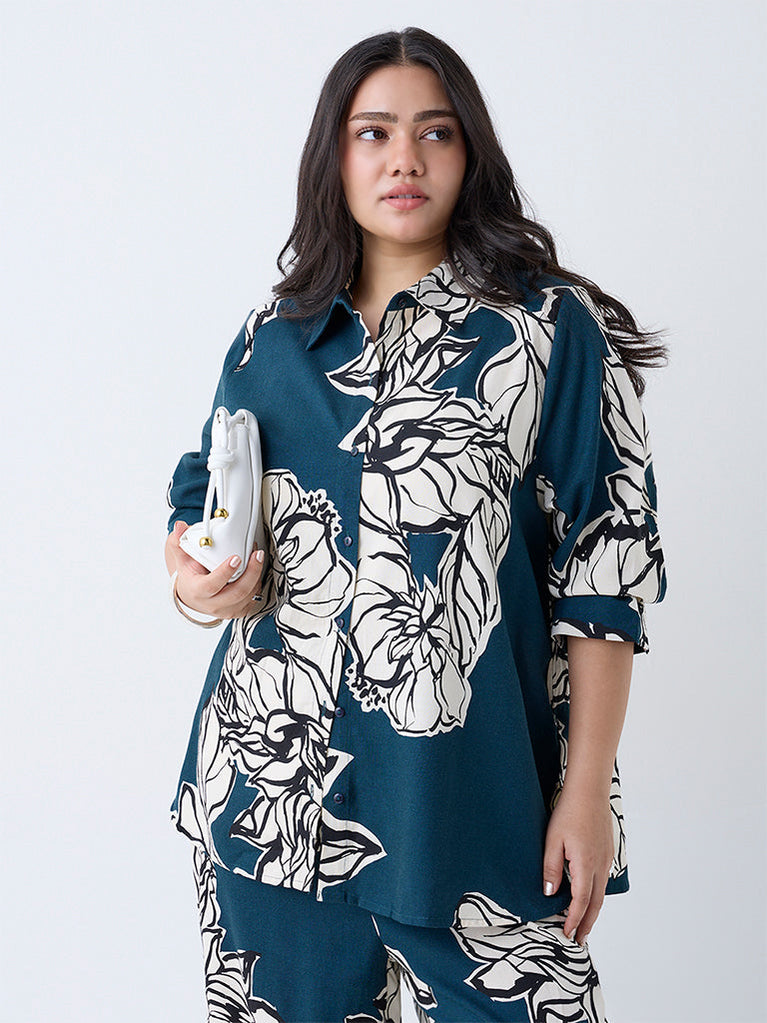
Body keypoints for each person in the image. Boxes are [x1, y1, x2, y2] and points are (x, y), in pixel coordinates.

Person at [164, 26, 667, 1023]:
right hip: (271, 806)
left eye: (435, 132)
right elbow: (200, 508)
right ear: (335, 156)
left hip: (477, 815)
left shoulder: (546, 331)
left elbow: (605, 568)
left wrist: (585, 793)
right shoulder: (272, 338)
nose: (404, 158)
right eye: (374, 133)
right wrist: (194, 583)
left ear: (469, 153)